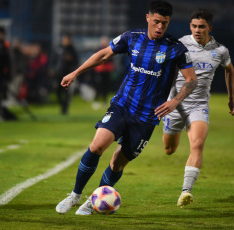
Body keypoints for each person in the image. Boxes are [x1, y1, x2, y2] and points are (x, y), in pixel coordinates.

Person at [55, 0, 197, 215]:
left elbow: (191, 80)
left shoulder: (176, 48)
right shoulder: (132, 38)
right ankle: (75, 195)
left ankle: (94, 200)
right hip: (123, 105)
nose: (160, 27)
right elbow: (103, 54)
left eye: (165, 23)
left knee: (117, 163)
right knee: (97, 146)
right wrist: (75, 73)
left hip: (148, 117)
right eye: (157, 21)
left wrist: (175, 101)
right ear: (148, 17)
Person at [162, 8, 234, 207]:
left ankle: (185, 192)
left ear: (209, 28)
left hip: (199, 105)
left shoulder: (220, 50)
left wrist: (231, 98)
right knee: (169, 149)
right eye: (194, 26)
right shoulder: (179, 45)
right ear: (190, 26)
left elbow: (229, 70)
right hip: (175, 104)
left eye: (201, 27)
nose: (197, 30)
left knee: (197, 144)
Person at [53, 33, 78, 115]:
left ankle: (65, 108)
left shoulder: (72, 50)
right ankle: (62, 104)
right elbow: (54, 59)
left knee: (67, 93)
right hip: (59, 74)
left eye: (66, 39)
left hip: (68, 74)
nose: (64, 41)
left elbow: (76, 62)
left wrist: (70, 60)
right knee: (57, 91)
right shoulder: (59, 48)